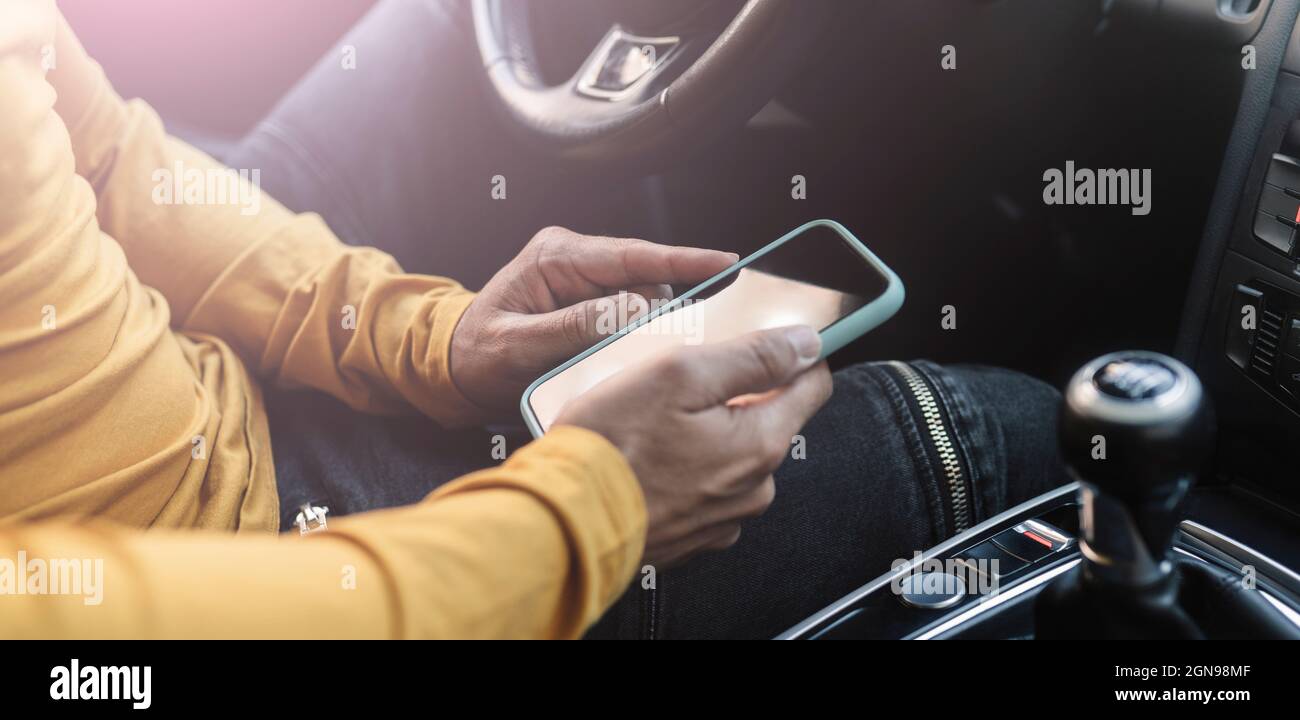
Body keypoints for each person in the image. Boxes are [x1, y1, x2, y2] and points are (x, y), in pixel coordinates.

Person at [0, 0, 1064, 640]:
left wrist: (422, 335)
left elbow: (96, 147)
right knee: (1018, 440)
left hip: (196, 396)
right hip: (228, 572)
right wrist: (592, 518)